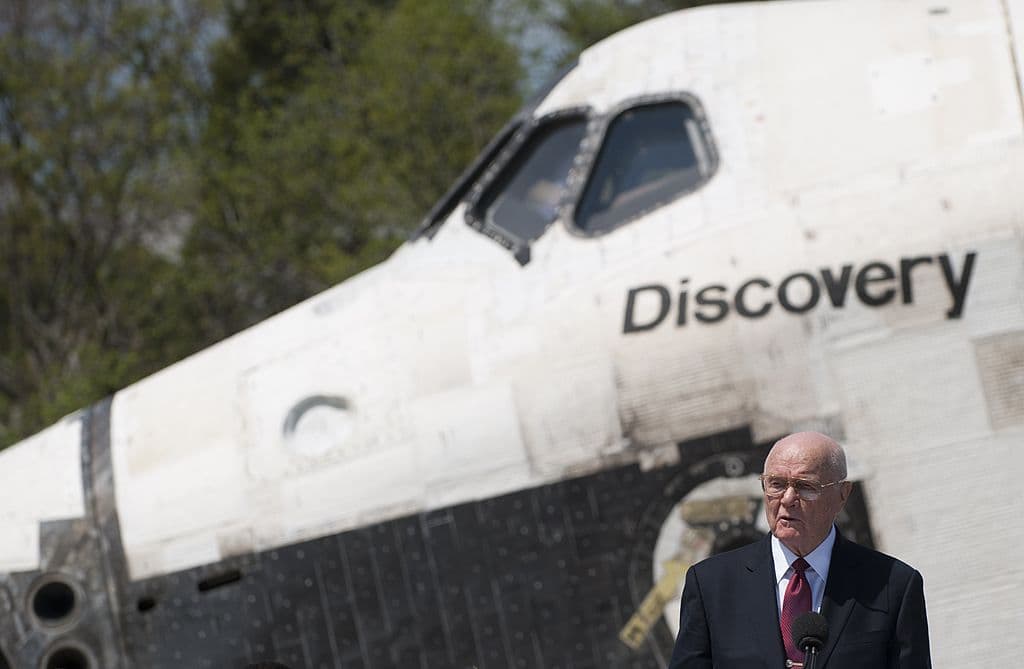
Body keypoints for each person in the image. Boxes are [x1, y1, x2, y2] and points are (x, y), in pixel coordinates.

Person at [668, 431, 931, 668]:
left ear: (842, 494)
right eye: (777, 484)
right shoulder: (711, 585)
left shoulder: (892, 585)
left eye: (806, 487)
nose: (788, 499)